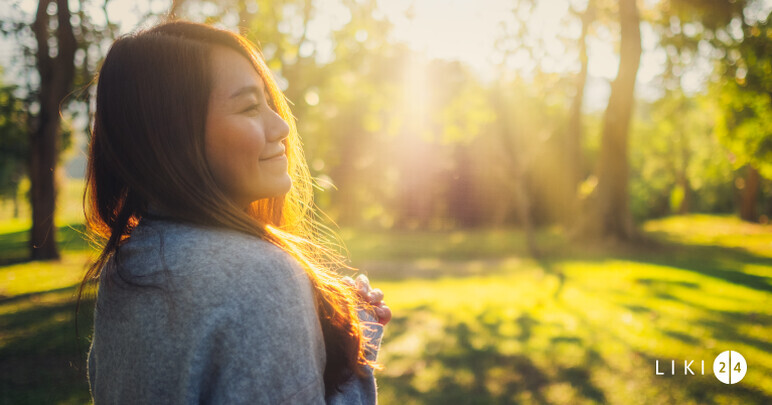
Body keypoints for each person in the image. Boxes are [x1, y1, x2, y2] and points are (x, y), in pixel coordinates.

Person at [77, 19, 391, 404]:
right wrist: (355, 368)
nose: (280, 127)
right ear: (175, 136)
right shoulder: (262, 276)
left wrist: (343, 339)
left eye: (268, 103)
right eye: (248, 107)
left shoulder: (128, 265)